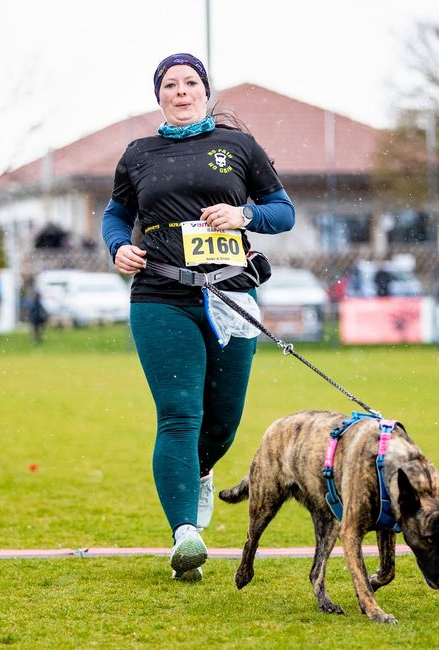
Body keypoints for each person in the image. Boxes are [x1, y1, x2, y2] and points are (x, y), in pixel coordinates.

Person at [101, 53, 295, 582]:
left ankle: (201, 472)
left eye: (190, 83)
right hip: (161, 295)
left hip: (232, 297)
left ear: (205, 92)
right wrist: (118, 246)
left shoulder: (237, 147)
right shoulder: (139, 154)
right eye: (170, 84)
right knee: (179, 414)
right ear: (158, 95)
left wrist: (245, 214)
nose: (181, 91)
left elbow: (283, 211)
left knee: (223, 421)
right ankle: (185, 532)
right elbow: (116, 213)